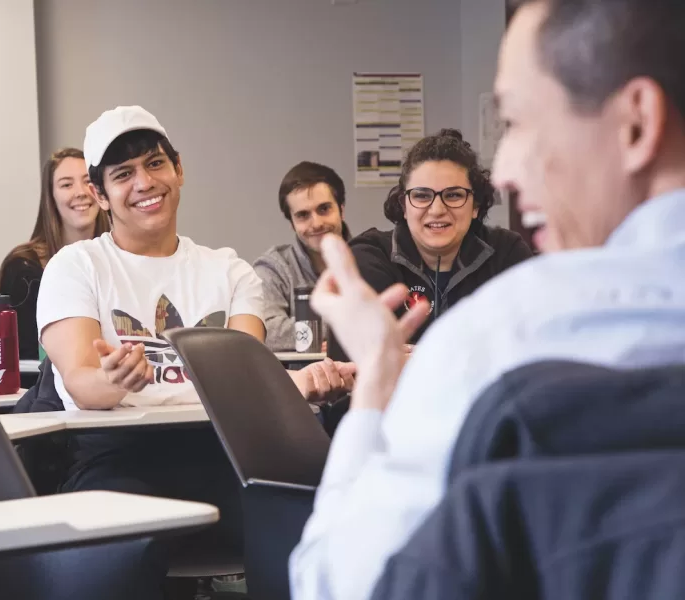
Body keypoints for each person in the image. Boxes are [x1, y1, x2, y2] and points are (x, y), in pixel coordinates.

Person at [290, 0, 685, 598]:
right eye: (422, 196)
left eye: (520, 123)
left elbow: (336, 582)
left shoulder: (498, 339)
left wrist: (376, 380)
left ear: (636, 123)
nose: (503, 170)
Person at [36, 106, 355, 597]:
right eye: (123, 174)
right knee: (103, 563)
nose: (144, 182)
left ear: (178, 169)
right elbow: (81, 380)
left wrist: (303, 382)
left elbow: (245, 387)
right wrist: (115, 380)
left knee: (324, 526)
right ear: (100, 194)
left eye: (154, 164)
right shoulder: (75, 266)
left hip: (227, 454)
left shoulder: (229, 272)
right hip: (117, 460)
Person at [326, 129, 532, 363]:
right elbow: (357, 362)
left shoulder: (506, 253)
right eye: (422, 196)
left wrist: (418, 355)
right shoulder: (368, 257)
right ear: (404, 205)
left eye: (454, 195)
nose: (437, 209)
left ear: (475, 205)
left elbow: (531, 345)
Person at [0, 148, 111, 360]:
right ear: (51, 196)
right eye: (67, 184)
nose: (81, 192)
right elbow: (27, 357)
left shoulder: (121, 259)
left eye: (88, 181)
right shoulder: (23, 268)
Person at [253, 161, 351, 352]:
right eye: (303, 215)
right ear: (292, 223)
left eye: (324, 209)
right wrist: (347, 327)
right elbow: (267, 331)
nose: (316, 223)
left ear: (342, 210)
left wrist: (308, 335)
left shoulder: (370, 257)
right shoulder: (273, 267)